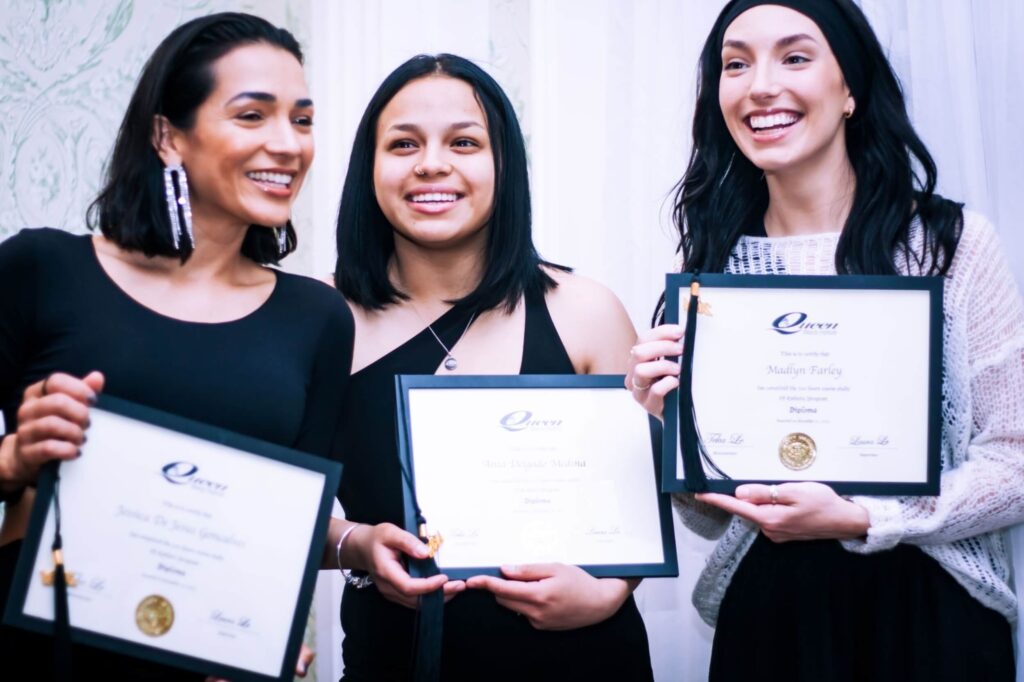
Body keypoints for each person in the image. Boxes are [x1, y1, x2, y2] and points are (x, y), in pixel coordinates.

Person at [626, 1, 1024, 680]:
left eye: (796, 56)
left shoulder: (950, 246)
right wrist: (672, 428)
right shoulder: (710, 273)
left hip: (930, 613)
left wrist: (864, 516)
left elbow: (1014, 462)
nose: (759, 86)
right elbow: (709, 519)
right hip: (771, 615)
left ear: (850, 90)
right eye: (735, 63)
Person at [0, 13, 353, 680]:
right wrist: (16, 458)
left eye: (302, 120)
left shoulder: (319, 318)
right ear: (167, 135)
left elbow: (289, 530)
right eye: (253, 116)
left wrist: (268, 627)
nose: (287, 144)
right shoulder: (41, 271)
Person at [329, 54, 654, 681]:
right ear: (368, 167)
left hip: (581, 661)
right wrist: (359, 546)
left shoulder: (584, 310)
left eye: (463, 142)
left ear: (503, 165)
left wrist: (610, 592)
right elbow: (280, 509)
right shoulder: (321, 319)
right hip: (394, 660)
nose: (431, 162)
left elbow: (637, 506)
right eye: (403, 143)